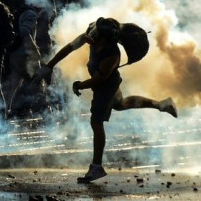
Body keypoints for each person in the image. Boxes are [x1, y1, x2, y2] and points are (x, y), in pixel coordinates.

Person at [34, 17, 178, 183]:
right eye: (93, 31)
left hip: (107, 86)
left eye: (96, 33)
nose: (90, 36)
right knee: (120, 104)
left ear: (106, 38)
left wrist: (79, 85)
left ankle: (96, 167)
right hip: (106, 82)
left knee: (96, 122)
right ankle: (161, 104)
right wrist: (49, 66)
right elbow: (69, 48)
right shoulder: (91, 36)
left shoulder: (112, 55)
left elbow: (98, 80)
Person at [3, 0, 44, 117]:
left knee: (12, 85)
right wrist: (35, 51)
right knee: (38, 84)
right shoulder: (30, 14)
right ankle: (45, 115)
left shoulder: (15, 13)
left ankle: (4, 112)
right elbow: (25, 32)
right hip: (26, 55)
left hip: (13, 53)